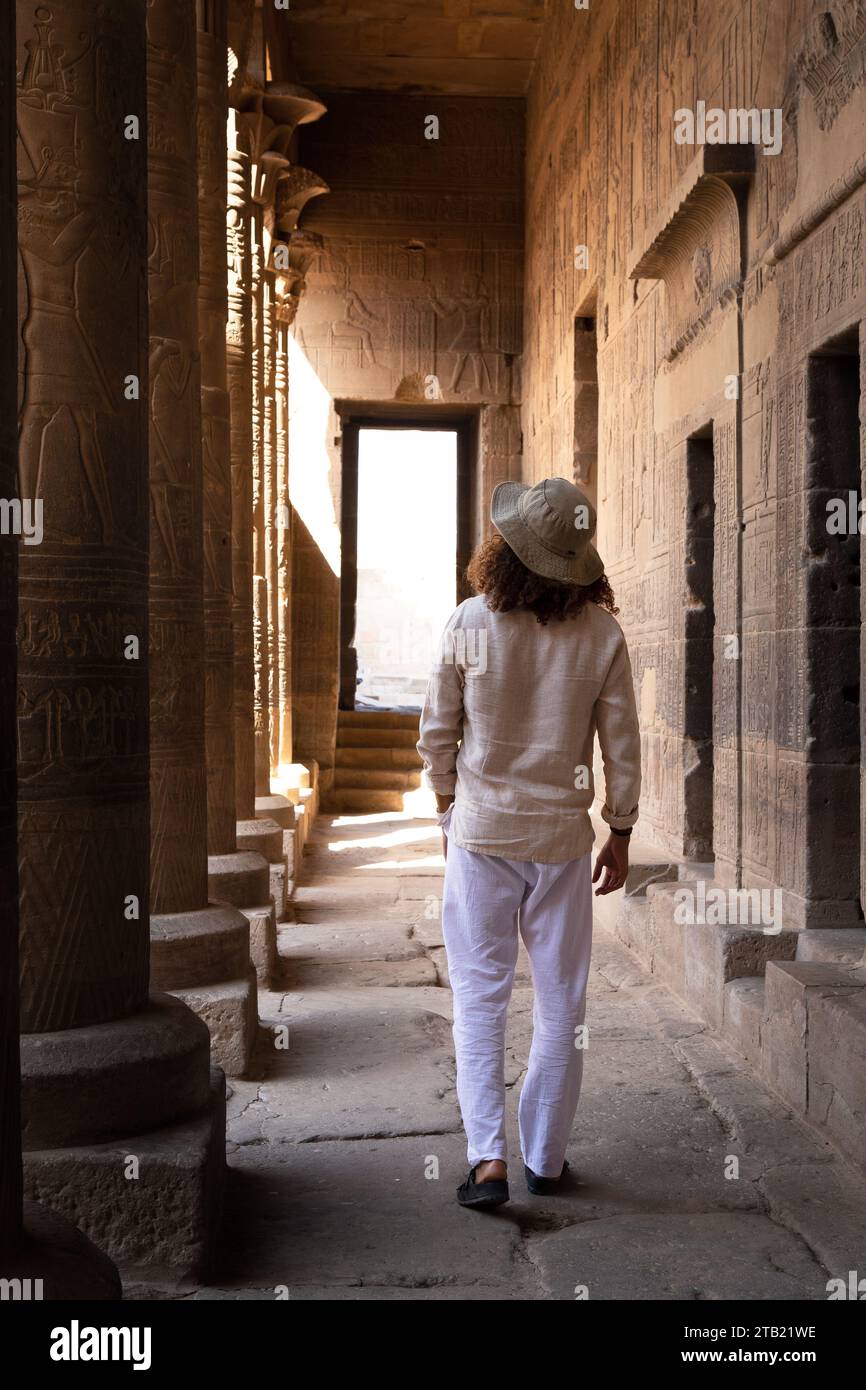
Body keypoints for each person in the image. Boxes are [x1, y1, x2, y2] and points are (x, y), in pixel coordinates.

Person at [417, 476, 641, 1210]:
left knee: (480, 1001)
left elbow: (437, 732)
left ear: (506, 550)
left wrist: (451, 803)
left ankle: (488, 1163)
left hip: (482, 835)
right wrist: (622, 828)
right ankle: (546, 1158)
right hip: (561, 845)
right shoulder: (602, 637)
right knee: (562, 1004)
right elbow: (621, 745)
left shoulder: (468, 624)